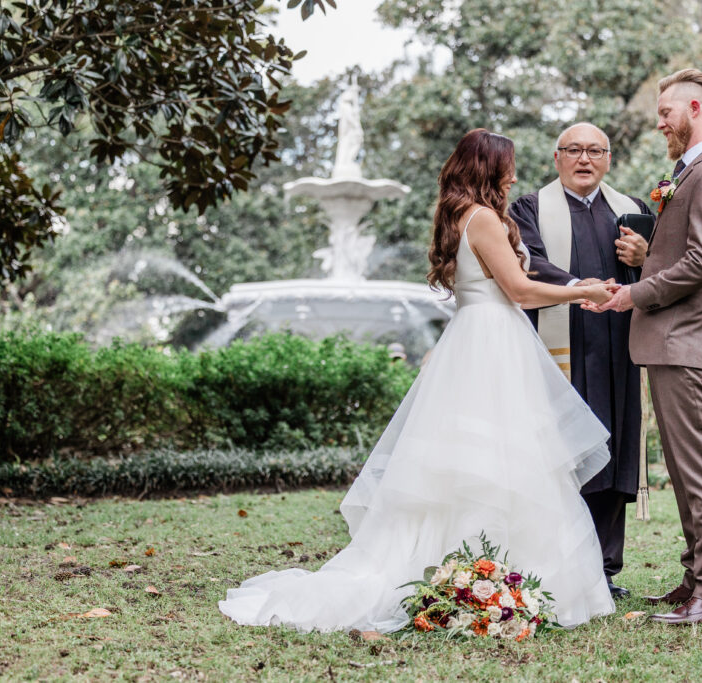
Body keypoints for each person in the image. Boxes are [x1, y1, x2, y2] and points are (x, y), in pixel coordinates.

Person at [219, 129, 620, 632]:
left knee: (480, 457)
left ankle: (481, 572)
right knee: (500, 456)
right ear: (489, 168)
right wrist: (580, 291)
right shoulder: (486, 220)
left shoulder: (461, 217)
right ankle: (479, 572)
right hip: (493, 342)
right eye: (508, 165)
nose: (514, 174)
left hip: (479, 340)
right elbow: (518, 290)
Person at [587, 69, 702, 626]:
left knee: (701, 471)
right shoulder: (691, 174)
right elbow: (686, 253)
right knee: (684, 470)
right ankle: (696, 581)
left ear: (697, 108)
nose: (659, 124)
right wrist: (646, 255)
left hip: (686, 341)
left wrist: (635, 293)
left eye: (667, 113)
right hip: (670, 342)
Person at [509, 123, 652, 600]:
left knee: (613, 447)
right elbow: (528, 264)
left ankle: (604, 570)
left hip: (618, 347)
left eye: (594, 150)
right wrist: (581, 288)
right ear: (557, 157)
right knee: (563, 448)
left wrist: (645, 255)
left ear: (609, 158)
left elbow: (667, 271)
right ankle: (559, 562)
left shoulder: (633, 210)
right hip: (561, 348)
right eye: (573, 150)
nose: (584, 158)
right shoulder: (529, 208)